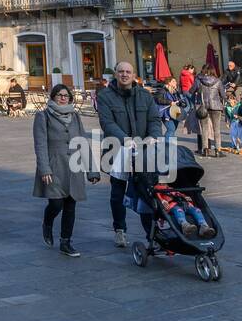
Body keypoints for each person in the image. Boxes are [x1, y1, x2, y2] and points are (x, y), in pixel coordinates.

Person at [95, 61, 160, 247]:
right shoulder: (105, 96)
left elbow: (154, 119)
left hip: (143, 151)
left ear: (134, 75)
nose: (124, 74)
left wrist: (154, 136)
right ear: (115, 74)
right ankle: (120, 230)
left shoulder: (144, 95)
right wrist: (126, 139)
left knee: (147, 192)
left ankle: (151, 234)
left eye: (128, 72)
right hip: (117, 150)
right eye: (121, 71)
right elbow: (107, 123)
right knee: (117, 193)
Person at [33, 83, 99, 257]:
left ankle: (66, 242)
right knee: (56, 203)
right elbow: (40, 144)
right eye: (59, 95)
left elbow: (83, 141)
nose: (63, 98)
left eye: (66, 95)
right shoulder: (43, 116)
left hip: (74, 166)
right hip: (55, 165)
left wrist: (92, 170)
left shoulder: (75, 116)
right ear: (53, 97)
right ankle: (47, 222)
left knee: (71, 204)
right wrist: (44, 169)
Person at [195, 64, 225, 157]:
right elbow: (223, 95)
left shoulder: (199, 81)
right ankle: (217, 150)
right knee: (217, 129)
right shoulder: (218, 81)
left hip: (204, 107)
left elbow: (191, 91)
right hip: (216, 107)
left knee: (204, 129)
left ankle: (205, 150)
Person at [156, 75, 186, 140]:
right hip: (166, 114)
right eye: (173, 81)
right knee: (171, 129)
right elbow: (159, 99)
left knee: (173, 130)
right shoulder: (163, 90)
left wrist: (181, 103)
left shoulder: (175, 91)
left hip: (175, 112)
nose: (175, 82)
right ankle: (166, 146)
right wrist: (169, 102)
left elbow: (178, 100)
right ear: (169, 82)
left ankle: (170, 146)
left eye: (175, 81)